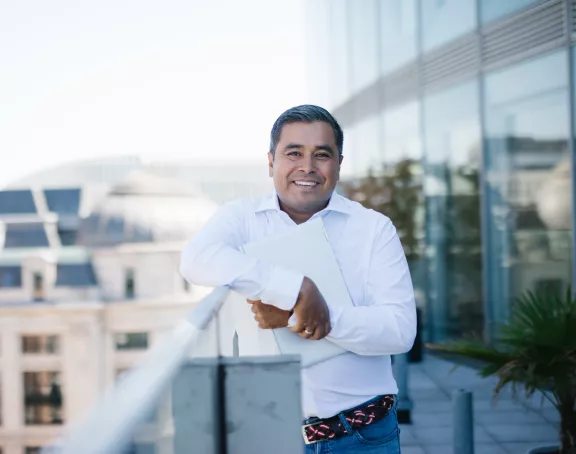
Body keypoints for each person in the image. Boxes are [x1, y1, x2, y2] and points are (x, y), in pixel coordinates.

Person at [180, 104, 416, 453]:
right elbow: (196, 261)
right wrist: (296, 289)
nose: (307, 167)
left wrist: (307, 316)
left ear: (338, 164)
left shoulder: (373, 229)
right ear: (271, 161)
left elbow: (399, 330)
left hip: (362, 437)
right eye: (293, 153)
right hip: (267, 437)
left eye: (322, 154)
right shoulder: (241, 218)